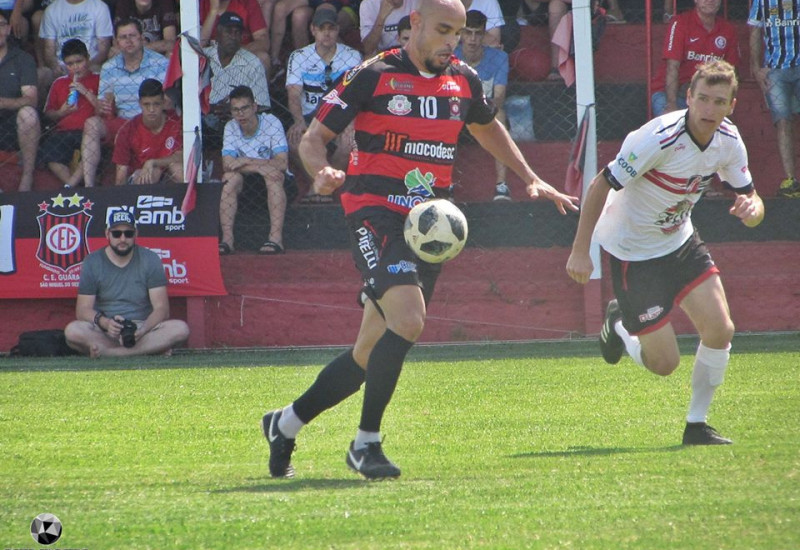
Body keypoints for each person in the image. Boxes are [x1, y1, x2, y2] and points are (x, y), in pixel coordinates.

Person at [262, 0, 578, 480]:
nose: (451, 41)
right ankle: (365, 444)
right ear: (415, 24)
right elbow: (312, 137)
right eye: (443, 30)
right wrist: (319, 169)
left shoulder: (463, 79)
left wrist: (530, 177)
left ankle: (284, 423)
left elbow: (487, 127)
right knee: (409, 320)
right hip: (373, 214)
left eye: (459, 32)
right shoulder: (373, 74)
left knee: (369, 350)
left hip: (428, 225)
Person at [566, 60, 765, 446]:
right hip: (633, 253)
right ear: (688, 97)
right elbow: (599, 185)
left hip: (680, 242)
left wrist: (752, 210)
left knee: (721, 329)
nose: (709, 109)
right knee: (664, 364)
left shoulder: (729, 140)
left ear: (732, 105)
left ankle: (697, 424)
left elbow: (751, 200)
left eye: (718, 101)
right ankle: (621, 325)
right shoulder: (656, 139)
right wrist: (580, 251)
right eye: (702, 98)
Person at [64, 210, 191, 358]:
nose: (122, 239)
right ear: (107, 234)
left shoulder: (150, 259)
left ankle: (110, 353)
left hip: (142, 328)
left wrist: (142, 330)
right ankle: (149, 350)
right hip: (107, 329)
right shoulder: (93, 261)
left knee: (180, 329)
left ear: (136, 234)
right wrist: (105, 323)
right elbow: (82, 310)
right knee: (72, 331)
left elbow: (162, 309)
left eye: (128, 234)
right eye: (116, 234)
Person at [80, 17, 168, 187]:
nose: (128, 41)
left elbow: (167, 103)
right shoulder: (108, 68)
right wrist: (105, 106)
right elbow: (101, 109)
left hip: (149, 122)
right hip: (121, 122)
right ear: (116, 42)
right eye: (123, 37)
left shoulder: (160, 63)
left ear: (142, 38)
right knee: (92, 124)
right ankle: (88, 187)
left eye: (132, 36)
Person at [285, 6, 361, 203]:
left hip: (339, 115)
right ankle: (320, 188)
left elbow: (356, 96)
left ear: (337, 30)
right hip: (311, 115)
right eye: (322, 28)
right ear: (313, 30)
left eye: (331, 28)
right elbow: (293, 94)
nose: (327, 33)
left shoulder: (352, 56)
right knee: (294, 142)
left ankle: (319, 190)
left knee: (348, 145)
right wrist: (298, 121)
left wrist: (351, 124)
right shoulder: (299, 56)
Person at [218, 85, 289, 255]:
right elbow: (227, 164)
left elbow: (282, 164)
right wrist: (261, 166)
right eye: (235, 110)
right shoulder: (231, 127)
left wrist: (245, 160)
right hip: (246, 183)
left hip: (276, 183)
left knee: (274, 175)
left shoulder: (272, 122)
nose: (240, 114)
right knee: (229, 178)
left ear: (254, 107)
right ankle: (227, 240)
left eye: (244, 108)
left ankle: (275, 239)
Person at [455, 9, 510, 200]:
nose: (472, 39)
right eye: (467, 32)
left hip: (484, 110)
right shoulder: (450, 57)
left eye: (477, 33)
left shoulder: (499, 58)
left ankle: (501, 186)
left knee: (500, 114)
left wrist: (478, 107)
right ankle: (447, 185)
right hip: (455, 111)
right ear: (460, 33)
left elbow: (499, 97)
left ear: (484, 34)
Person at [650, 0, 739, 117]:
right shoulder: (680, 23)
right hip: (670, 93)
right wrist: (672, 104)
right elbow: (672, 66)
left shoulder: (728, 29)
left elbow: (730, 72)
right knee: (674, 129)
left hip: (706, 95)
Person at [748, 0, 800, 198]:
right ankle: (791, 180)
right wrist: (755, 68)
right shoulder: (762, 2)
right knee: (783, 120)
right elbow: (754, 30)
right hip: (775, 69)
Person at [203, 11, 271, 142]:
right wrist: (211, 108)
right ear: (218, 32)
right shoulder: (203, 58)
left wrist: (234, 109)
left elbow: (262, 107)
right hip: (204, 120)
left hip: (238, 124)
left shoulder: (252, 63)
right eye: (229, 31)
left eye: (237, 33)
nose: (233, 37)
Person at [41, 38, 99, 188]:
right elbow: (48, 114)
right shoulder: (59, 83)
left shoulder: (98, 79)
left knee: (89, 153)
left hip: (87, 132)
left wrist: (85, 91)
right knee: (49, 154)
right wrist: (61, 112)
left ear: (87, 58)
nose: (75, 67)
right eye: (70, 64)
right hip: (63, 132)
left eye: (79, 62)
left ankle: (70, 187)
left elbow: (105, 111)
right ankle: (74, 185)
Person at [112, 78, 182, 185]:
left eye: (156, 104)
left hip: (170, 176)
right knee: (152, 173)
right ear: (140, 104)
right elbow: (120, 177)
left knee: (177, 168)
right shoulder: (128, 130)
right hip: (141, 177)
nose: (151, 109)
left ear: (163, 103)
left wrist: (153, 162)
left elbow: (181, 156)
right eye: (146, 104)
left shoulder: (176, 122)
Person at [0, 8, 40, 192]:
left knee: (28, 114)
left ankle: (27, 176)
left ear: (8, 29)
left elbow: (31, 99)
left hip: (13, 125)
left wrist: (3, 103)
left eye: (1, 25)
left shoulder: (22, 59)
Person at [39, 0, 113, 77]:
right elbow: (49, 50)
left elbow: (103, 50)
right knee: (42, 74)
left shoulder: (100, 7)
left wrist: (85, 66)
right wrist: (55, 66)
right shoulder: (51, 10)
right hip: (62, 66)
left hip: (90, 64)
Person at [200, 0, 271, 76]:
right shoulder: (199, 4)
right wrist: (213, 10)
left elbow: (263, 41)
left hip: (243, 54)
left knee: (263, 57)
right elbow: (200, 44)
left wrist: (234, 52)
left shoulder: (247, 2)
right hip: (212, 57)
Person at [113, 0, 178, 56]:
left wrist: (139, 47)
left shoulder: (164, 3)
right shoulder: (123, 4)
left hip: (158, 57)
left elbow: (170, 43)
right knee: (113, 53)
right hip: (131, 56)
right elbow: (116, 43)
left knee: (171, 53)